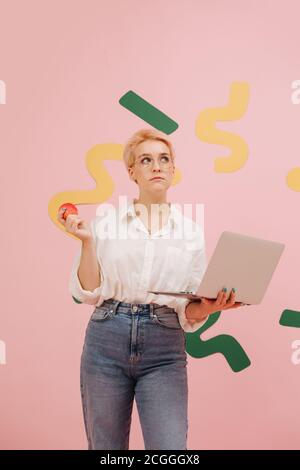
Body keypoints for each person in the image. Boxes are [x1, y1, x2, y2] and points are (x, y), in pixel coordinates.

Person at [57, 128, 244, 450]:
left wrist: (210, 307)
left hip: (164, 347)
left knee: (170, 449)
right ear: (132, 172)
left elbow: (189, 310)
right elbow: (89, 292)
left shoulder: (190, 232)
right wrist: (87, 243)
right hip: (106, 340)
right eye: (146, 160)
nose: (156, 166)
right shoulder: (106, 224)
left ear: (173, 170)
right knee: (106, 448)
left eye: (164, 159)